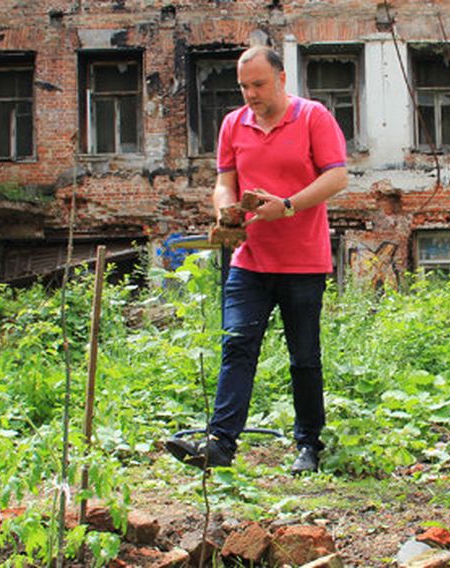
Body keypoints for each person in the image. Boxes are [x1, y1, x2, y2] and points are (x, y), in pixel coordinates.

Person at [166, 45, 348, 474]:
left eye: (259, 84)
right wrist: (225, 208)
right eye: (244, 86)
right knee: (237, 346)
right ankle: (220, 443)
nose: (250, 93)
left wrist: (286, 205)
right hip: (249, 258)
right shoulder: (233, 123)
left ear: (282, 79)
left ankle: (309, 446)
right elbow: (223, 182)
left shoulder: (312, 117)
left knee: (304, 356)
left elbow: (337, 176)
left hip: (303, 260)